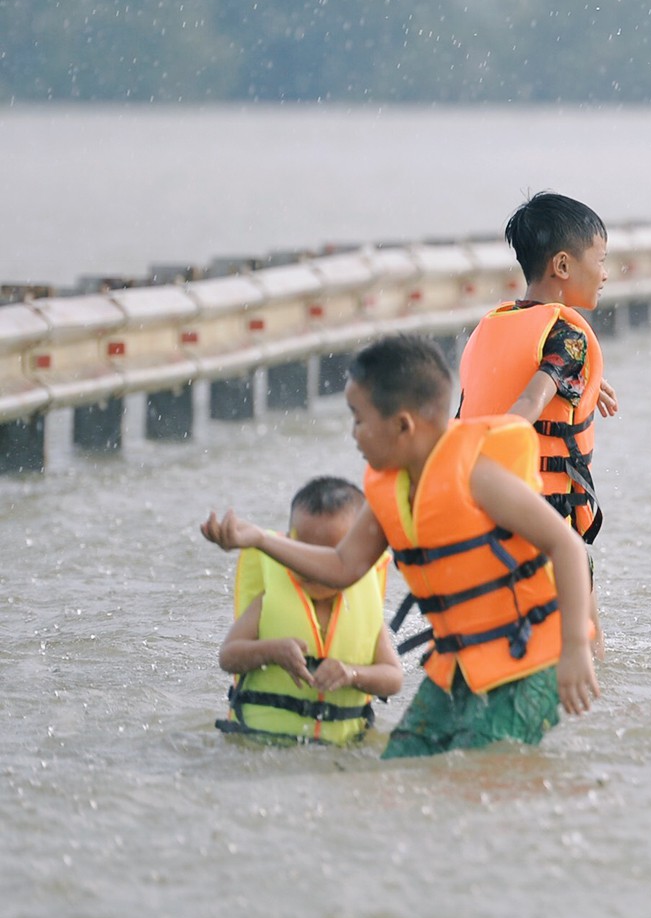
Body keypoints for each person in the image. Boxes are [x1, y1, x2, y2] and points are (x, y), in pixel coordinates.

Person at [203, 334, 599, 758]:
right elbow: (342, 565)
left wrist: (577, 648)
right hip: (460, 667)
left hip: (530, 662)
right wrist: (259, 539)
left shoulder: (477, 475)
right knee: (400, 767)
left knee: (478, 768)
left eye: (358, 418)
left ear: (402, 425)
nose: (353, 434)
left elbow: (568, 547)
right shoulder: (390, 491)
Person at [458, 191, 616, 651]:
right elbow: (527, 403)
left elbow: (492, 396)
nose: (606, 273)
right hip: (543, 514)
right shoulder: (568, 336)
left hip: (485, 510)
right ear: (563, 266)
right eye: (601, 260)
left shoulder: (492, 325)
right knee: (587, 644)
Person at [217, 476, 402, 745]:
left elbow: (393, 677)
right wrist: (270, 651)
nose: (311, 566)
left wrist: (352, 673)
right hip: (260, 742)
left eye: (327, 556)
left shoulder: (364, 609)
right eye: (303, 551)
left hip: (343, 749)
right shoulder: (269, 601)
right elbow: (228, 656)